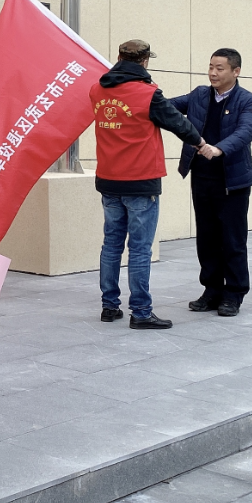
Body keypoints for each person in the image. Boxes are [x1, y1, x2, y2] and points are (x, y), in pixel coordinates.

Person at [91, 40, 204, 331]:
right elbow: (177, 123)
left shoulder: (97, 90)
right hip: (140, 181)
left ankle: (109, 306)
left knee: (111, 244)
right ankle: (141, 312)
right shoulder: (148, 94)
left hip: (109, 180)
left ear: (119, 57)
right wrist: (200, 143)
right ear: (144, 62)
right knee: (140, 249)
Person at [171, 48, 252, 317]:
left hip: (232, 180)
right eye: (211, 67)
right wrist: (142, 93)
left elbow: (246, 131)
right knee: (207, 238)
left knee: (232, 239)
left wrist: (219, 148)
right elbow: (167, 107)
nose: (213, 73)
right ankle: (211, 290)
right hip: (202, 177)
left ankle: (233, 294)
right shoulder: (199, 95)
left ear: (236, 71)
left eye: (219, 68)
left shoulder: (248, 100)